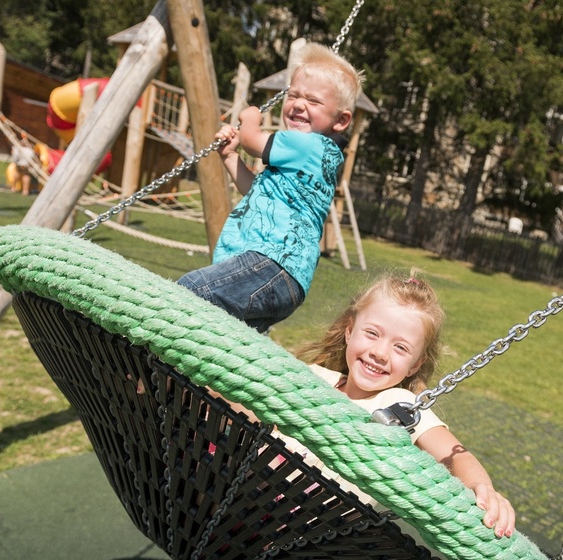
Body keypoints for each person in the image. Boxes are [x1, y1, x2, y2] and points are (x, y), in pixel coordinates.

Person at [288, 272, 517, 538]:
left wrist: (482, 487)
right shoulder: (314, 377)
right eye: (372, 333)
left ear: (415, 365)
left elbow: (456, 455)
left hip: (314, 532)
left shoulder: (398, 406)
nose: (380, 353)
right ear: (349, 332)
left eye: (400, 348)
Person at [177, 42, 363, 333]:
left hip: (271, 263)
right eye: (293, 95)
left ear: (341, 120)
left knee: (189, 291)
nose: (299, 104)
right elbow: (256, 190)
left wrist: (250, 118)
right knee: (219, 333)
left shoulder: (307, 144)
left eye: (313, 101)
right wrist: (229, 156)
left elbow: (252, 139)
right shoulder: (314, 158)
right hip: (286, 278)